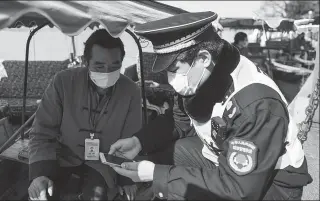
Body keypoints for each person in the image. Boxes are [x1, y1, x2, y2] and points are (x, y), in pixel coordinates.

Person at [109, 11, 313, 200]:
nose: (172, 79)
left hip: (271, 183)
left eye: (174, 69)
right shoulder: (200, 76)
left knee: (167, 177)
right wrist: (139, 141)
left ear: (203, 58)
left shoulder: (257, 105)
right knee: (171, 154)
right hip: (220, 156)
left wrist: (157, 175)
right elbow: (178, 120)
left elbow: (239, 189)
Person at [28, 29, 142, 200]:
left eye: (115, 66)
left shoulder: (131, 91)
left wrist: (126, 178)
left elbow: (131, 139)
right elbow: (42, 132)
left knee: (97, 196)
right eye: (99, 66)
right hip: (62, 157)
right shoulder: (63, 82)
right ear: (85, 61)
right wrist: (40, 174)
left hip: (103, 163)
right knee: (44, 194)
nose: (107, 72)